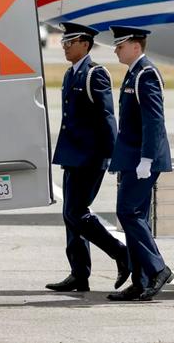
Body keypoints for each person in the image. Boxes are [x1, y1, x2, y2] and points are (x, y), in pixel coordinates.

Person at [45, 22, 130, 293]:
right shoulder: (72, 73)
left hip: (91, 157)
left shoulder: (95, 74)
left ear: (84, 43)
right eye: (64, 43)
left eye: (69, 42)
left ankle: (121, 253)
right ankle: (79, 273)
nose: (65, 47)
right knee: (70, 215)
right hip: (73, 156)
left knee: (76, 212)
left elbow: (107, 118)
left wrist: (113, 156)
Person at [106, 25, 174, 301]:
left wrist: (147, 158)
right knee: (137, 216)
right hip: (133, 159)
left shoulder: (146, 74)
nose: (116, 50)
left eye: (120, 45)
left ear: (135, 46)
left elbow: (154, 119)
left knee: (128, 212)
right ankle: (141, 279)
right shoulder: (134, 73)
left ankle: (157, 268)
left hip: (144, 159)